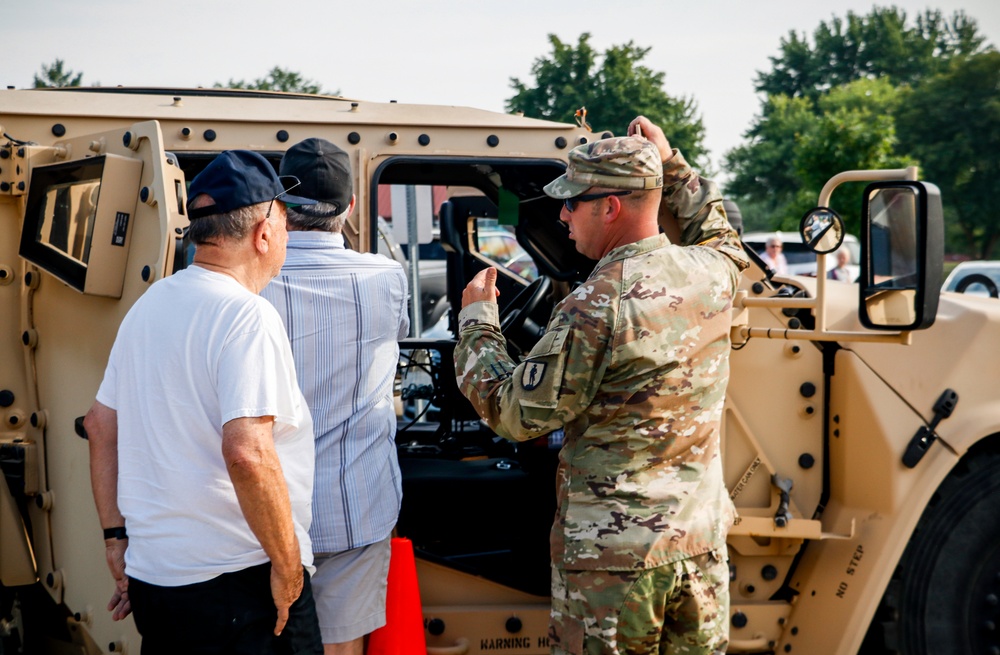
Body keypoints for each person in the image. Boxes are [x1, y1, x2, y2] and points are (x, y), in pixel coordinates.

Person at [453, 116, 749, 654]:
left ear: (610, 208)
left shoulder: (596, 304)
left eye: (572, 202)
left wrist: (477, 323)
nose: (563, 215)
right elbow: (721, 232)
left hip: (614, 563)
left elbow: (514, 414)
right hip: (699, 542)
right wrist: (673, 163)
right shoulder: (712, 273)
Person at [85, 150, 324, 655]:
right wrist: (286, 567)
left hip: (157, 581)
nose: (285, 236)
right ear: (263, 230)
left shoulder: (149, 306)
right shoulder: (246, 316)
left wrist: (115, 539)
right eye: (284, 223)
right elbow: (247, 452)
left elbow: (100, 424)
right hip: (240, 582)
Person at [260, 138, 409, 655]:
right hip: (355, 506)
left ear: (278, 204)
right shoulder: (387, 278)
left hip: (260, 514)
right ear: (350, 207)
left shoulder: (244, 286)